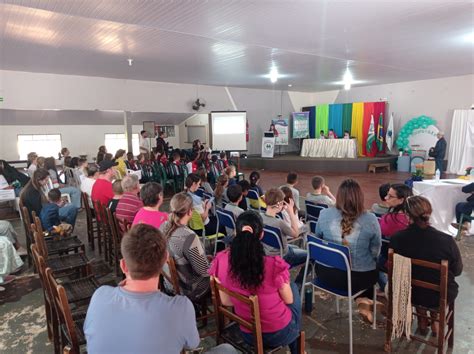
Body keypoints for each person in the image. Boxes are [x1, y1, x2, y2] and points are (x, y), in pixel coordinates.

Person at [84, 224, 200, 353]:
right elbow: (192, 344)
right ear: (165, 260)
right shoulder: (181, 308)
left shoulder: (100, 296)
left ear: (123, 266)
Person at [209, 211, 302, 354]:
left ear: (236, 232)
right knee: (294, 290)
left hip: (247, 332)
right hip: (277, 333)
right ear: (262, 234)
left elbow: (226, 302)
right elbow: (288, 299)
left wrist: (245, 298)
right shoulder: (274, 266)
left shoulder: (221, 260)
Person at [390, 196, 462, 335]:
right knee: (435, 282)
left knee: (417, 278)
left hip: (409, 292)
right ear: (429, 213)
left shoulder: (397, 238)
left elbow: (393, 268)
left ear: (406, 215)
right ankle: (435, 318)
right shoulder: (446, 241)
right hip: (439, 295)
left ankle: (422, 317)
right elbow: (457, 270)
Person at [315, 179, 381, 323]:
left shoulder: (324, 214)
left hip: (325, 274)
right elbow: (376, 250)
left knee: (365, 271)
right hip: (357, 280)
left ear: (338, 196)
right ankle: (363, 300)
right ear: (360, 197)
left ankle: (362, 300)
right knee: (373, 270)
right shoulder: (370, 219)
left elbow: (318, 238)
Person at [160, 193, 210, 302]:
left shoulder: (162, 227)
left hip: (169, 284)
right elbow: (203, 271)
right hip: (189, 289)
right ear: (190, 211)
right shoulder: (189, 237)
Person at [260, 188, 307, 283]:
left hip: (266, 252)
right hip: (282, 256)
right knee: (311, 255)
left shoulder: (259, 217)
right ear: (279, 204)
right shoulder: (279, 223)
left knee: (294, 247)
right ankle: (298, 283)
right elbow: (296, 233)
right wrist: (290, 212)